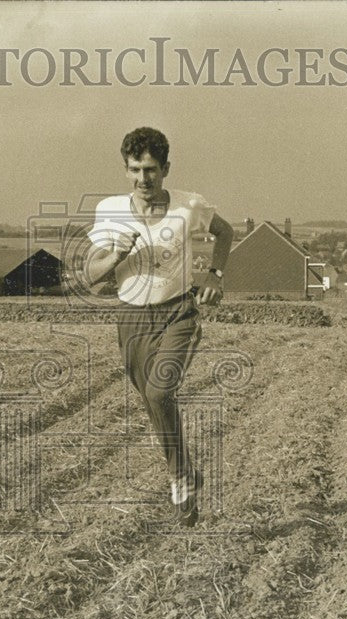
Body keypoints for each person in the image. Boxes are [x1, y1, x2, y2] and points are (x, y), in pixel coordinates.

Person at [83, 127, 234, 526]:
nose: (142, 179)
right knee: (153, 402)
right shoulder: (110, 211)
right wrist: (116, 254)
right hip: (131, 318)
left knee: (160, 389)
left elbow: (226, 231)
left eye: (151, 170)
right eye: (134, 170)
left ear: (166, 168)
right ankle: (184, 472)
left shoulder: (189, 206)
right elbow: (90, 276)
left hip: (177, 312)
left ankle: (179, 480)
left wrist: (215, 275)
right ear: (125, 169)